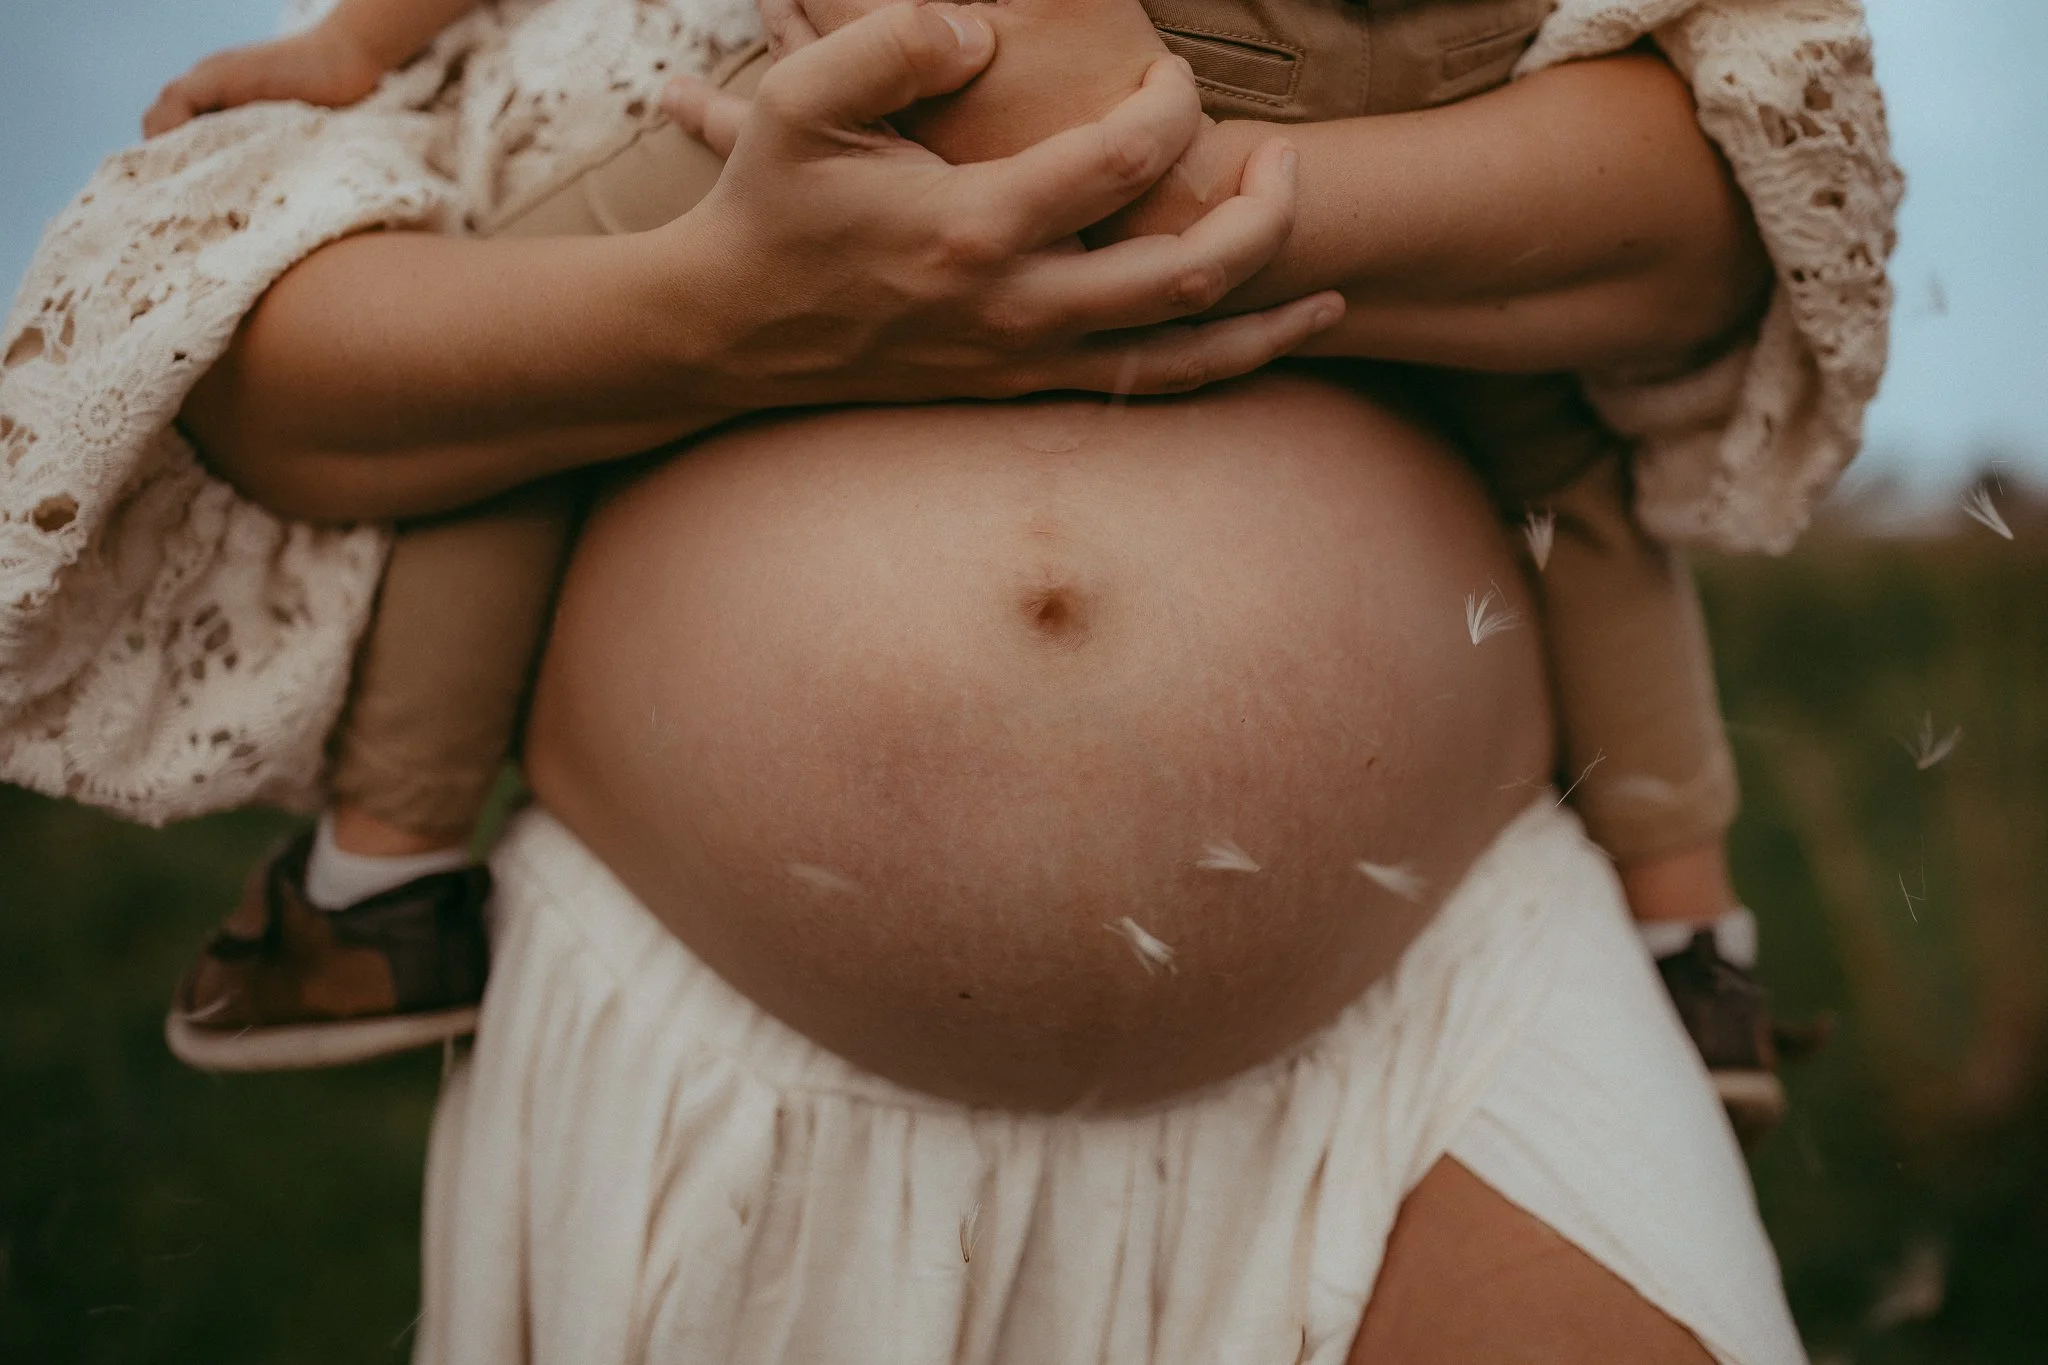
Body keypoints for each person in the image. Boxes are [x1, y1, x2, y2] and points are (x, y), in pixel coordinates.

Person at [0, 0, 1899, 1358]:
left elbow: (1709, 210)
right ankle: (386, 876)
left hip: (1453, 1010)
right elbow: (254, 381)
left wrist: (1153, 175)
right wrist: (707, 314)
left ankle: (1681, 936)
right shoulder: (606, 63)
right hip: (715, 1050)